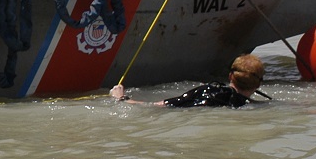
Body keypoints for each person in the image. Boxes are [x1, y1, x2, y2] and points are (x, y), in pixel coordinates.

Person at [111, 54, 267, 108]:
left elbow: (157, 106)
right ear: (259, 83)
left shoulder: (208, 91)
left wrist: (122, 98)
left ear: (230, 76)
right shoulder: (256, 106)